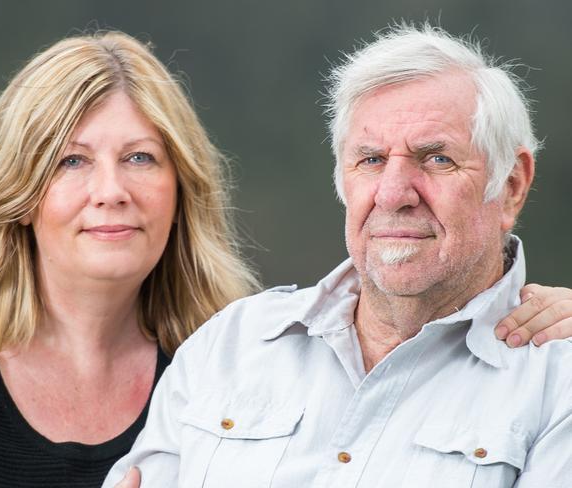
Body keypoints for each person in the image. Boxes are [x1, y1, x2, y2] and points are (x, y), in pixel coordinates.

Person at [105, 24, 572, 488]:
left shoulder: (557, 386)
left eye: (436, 159)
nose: (392, 194)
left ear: (512, 186)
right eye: (370, 159)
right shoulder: (230, 344)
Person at [0, 31, 260, 487]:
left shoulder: (233, 366)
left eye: (140, 158)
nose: (111, 192)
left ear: (181, 190)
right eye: (72, 161)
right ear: (19, 192)